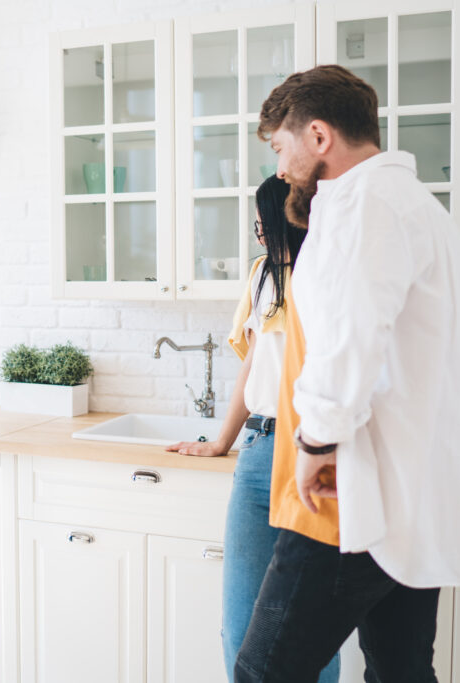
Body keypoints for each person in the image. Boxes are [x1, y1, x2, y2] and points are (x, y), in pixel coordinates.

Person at [233, 65, 460, 683]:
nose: (282, 165)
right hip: (409, 491)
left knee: (264, 672)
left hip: (348, 493)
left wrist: (317, 442)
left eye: (280, 145)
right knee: (399, 672)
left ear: (319, 136)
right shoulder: (423, 209)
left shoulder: (360, 206)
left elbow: (350, 338)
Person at [166, 176, 338, 683]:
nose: (260, 238)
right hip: (261, 453)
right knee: (239, 628)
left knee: (312, 633)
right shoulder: (263, 276)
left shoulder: (331, 276)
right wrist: (222, 440)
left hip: (316, 454)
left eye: (265, 228)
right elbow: (254, 363)